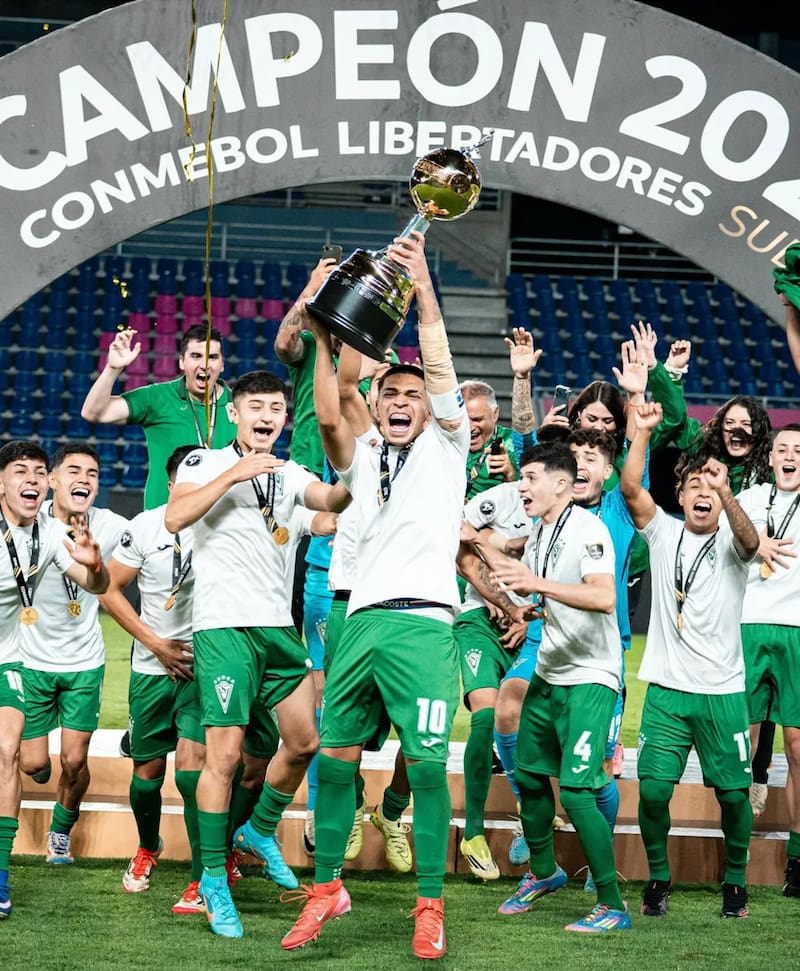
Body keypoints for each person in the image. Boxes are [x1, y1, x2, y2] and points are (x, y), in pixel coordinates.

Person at [281, 232, 469, 961]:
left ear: (429, 409)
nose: (401, 401)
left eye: (413, 395)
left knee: (424, 767)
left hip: (424, 627)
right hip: (358, 621)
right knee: (335, 758)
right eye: (391, 391)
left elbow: (438, 363)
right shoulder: (362, 457)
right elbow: (331, 414)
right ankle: (326, 886)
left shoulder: (449, 448)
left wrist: (422, 290)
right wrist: (324, 334)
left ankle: (430, 904)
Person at [165, 369, 347, 939]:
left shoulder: (289, 473)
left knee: (305, 741)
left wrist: (354, 470)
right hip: (224, 629)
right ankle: (212, 879)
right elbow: (175, 517)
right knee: (224, 758)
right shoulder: (204, 462)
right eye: (256, 406)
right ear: (234, 412)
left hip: (277, 630)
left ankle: (259, 827)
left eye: (276, 408)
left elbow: (327, 506)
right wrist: (234, 474)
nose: (267, 416)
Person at [621, 401, 759, 920]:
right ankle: (659, 878)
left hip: (723, 691)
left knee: (734, 796)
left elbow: (751, 541)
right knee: (654, 792)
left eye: (712, 487)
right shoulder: (663, 532)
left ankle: (736, 881)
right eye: (694, 485)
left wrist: (728, 493)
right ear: (679, 496)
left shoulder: (734, 539)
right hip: (667, 690)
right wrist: (641, 432)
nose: (703, 492)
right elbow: (631, 489)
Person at [490, 443, 630, 934]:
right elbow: (549, 591)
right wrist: (534, 608)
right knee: (528, 775)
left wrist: (539, 586)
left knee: (575, 788)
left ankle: (612, 904)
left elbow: (603, 596)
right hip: (550, 671)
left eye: (531, 477)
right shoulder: (541, 531)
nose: (521, 486)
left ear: (562, 484)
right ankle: (545, 871)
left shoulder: (589, 530)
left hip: (591, 676)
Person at [0, 440, 109, 918]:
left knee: (19, 752)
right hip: (29, 657)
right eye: (19, 471)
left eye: (37, 472)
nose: (31, 480)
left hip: (21, 659)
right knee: (26, 760)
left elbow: (97, 585)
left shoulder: (54, 532)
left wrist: (94, 563)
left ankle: (9, 870)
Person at [98, 444, 205, 910]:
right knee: (146, 773)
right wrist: (157, 644)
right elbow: (108, 591)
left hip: (203, 668)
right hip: (150, 667)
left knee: (193, 774)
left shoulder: (226, 525)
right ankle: (147, 847)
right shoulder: (143, 526)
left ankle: (205, 873)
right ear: (170, 483)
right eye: (187, 479)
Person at [18, 443, 127, 865]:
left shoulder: (111, 525)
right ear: (52, 480)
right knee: (32, 764)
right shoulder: (30, 523)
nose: (84, 479)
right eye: (74, 471)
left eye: (93, 474)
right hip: (31, 659)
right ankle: (40, 769)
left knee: (75, 759)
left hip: (84, 661)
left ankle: (61, 831)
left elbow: (158, 534)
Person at [455, 483, 531, 881]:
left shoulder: (575, 516)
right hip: (479, 621)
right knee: (485, 717)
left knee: (531, 722)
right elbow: (464, 545)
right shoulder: (501, 498)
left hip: (535, 627)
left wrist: (530, 619)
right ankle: (473, 833)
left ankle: (528, 814)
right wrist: (497, 600)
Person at [736, 425, 800, 897]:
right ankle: (735, 852)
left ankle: (798, 858)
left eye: (799, 450)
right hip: (748, 626)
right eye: (783, 449)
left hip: (798, 630)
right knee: (743, 745)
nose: (790, 456)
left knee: (798, 749)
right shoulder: (751, 498)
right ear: (771, 457)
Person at [81, 325, 236, 508]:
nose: (204, 364)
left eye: (213, 357)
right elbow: (93, 412)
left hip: (223, 519)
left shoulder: (241, 405)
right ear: (181, 362)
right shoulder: (157, 398)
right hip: (163, 519)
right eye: (196, 356)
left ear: (222, 364)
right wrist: (113, 368)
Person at [461, 381, 518, 501]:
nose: (469, 428)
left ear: (495, 414)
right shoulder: (444, 440)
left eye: (477, 419)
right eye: (462, 420)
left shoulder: (513, 445)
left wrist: (511, 475)